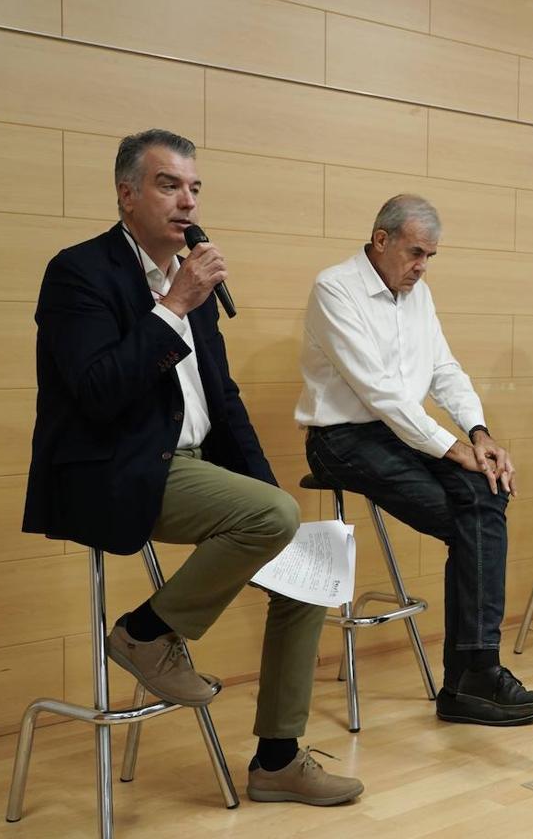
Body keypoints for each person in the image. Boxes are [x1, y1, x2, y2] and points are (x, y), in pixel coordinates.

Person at [22, 129, 362, 806]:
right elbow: (95, 390)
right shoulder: (79, 273)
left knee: (307, 565)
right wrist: (173, 305)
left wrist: (269, 496)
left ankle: (277, 759)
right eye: (168, 185)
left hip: (194, 468)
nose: (187, 201)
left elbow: (224, 399)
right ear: (126, 195)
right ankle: (145, 633)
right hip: (111, 469)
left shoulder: (188, 275)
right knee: (273, 517)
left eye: (195, 188)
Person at [296, 194, 533, 726]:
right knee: (474, 517)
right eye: (415, 252)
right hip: (341, 439)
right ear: (381, 238)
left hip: (399, 434)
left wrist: (479, 434)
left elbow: (445, 370)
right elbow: (380, 393)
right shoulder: (334, 289)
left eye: (430, 256)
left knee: (486, 493)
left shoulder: (419, 294)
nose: (422, 266)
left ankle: (473, 676)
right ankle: (470, 679)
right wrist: (453, 448)